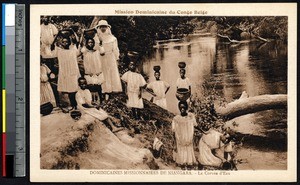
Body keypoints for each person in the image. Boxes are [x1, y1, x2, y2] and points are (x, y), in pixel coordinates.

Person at [50, 36, 81, 111]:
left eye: (66, 41)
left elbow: (77, 42)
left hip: (72, 71)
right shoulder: (59, 51)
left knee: (74, 89)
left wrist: (72, 32)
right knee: (67, 89)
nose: (65, 43)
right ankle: (71, 105)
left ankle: (75, 105)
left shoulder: (73, 50)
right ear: (61, 43)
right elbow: (52, 46)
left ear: (69, 42)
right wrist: (57, 35)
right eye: (63, 42)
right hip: (64, 72)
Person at [95, 20, 122, 100]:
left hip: (110, 58)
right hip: (100, 58)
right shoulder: (96, 38)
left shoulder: (113, 39)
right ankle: (104, 93)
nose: (103, 28)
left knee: (111, 74)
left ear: (107, 28)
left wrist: (116, 59)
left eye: (104, 26)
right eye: (101, 27)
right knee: (103, 75)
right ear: (99, 28)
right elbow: (95, 49)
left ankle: (111, 94)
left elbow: (115, 50)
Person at [172, 101, 198, 169]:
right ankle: (183, 165)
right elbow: (174, 131)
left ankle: (188, 165)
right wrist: (174, 142)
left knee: (188, 151)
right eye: (180, 108)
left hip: (188, 139)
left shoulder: (190, 117)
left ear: (186, 108)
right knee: (182, 155)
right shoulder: (176, 119)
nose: (182, 109)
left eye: (183, 107)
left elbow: (195, 125)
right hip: (180, 140)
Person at [81, 38, 104, 103]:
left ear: (94, 43)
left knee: (98, 86)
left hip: (97, 72)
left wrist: (101, 45)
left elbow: (102, 52)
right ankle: (90, 101)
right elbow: (82, 50)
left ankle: (100, 100)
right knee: (90, 87)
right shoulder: (85, 52)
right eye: (89, 42)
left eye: (91, 42)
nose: (90, 44)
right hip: (89, 72)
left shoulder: (97, 51)